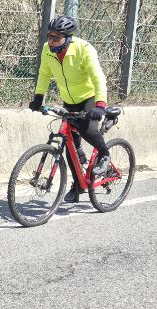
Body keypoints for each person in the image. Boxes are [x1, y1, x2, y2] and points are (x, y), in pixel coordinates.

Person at [28, 15, 111, 204]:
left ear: (67, 37)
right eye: (49, 36)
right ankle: (78, 185)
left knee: (88, 130)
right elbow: (44, 73)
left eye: (56, 37)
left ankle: (105, 154)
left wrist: (100, 105)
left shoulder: (84, 49)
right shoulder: (47, 50)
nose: (51, 41)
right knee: (70, 144)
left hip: (89, 98)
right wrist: (38, 97)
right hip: (69, 100)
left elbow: (98, 77)